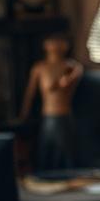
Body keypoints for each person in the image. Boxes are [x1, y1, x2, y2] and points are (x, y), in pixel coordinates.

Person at [19, 33, 84, 171]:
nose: (55, 44)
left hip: (64, 115)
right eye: (52, 41)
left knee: (66, 152)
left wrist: (64, 81)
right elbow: (30, 93)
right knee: (45, 151)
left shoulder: (71, 67)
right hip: (47, 116)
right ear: (45, 45)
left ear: (66, 45)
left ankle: (69, 178)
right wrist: (24, 113)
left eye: (60, 41)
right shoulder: (40, 68)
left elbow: (75, 75)